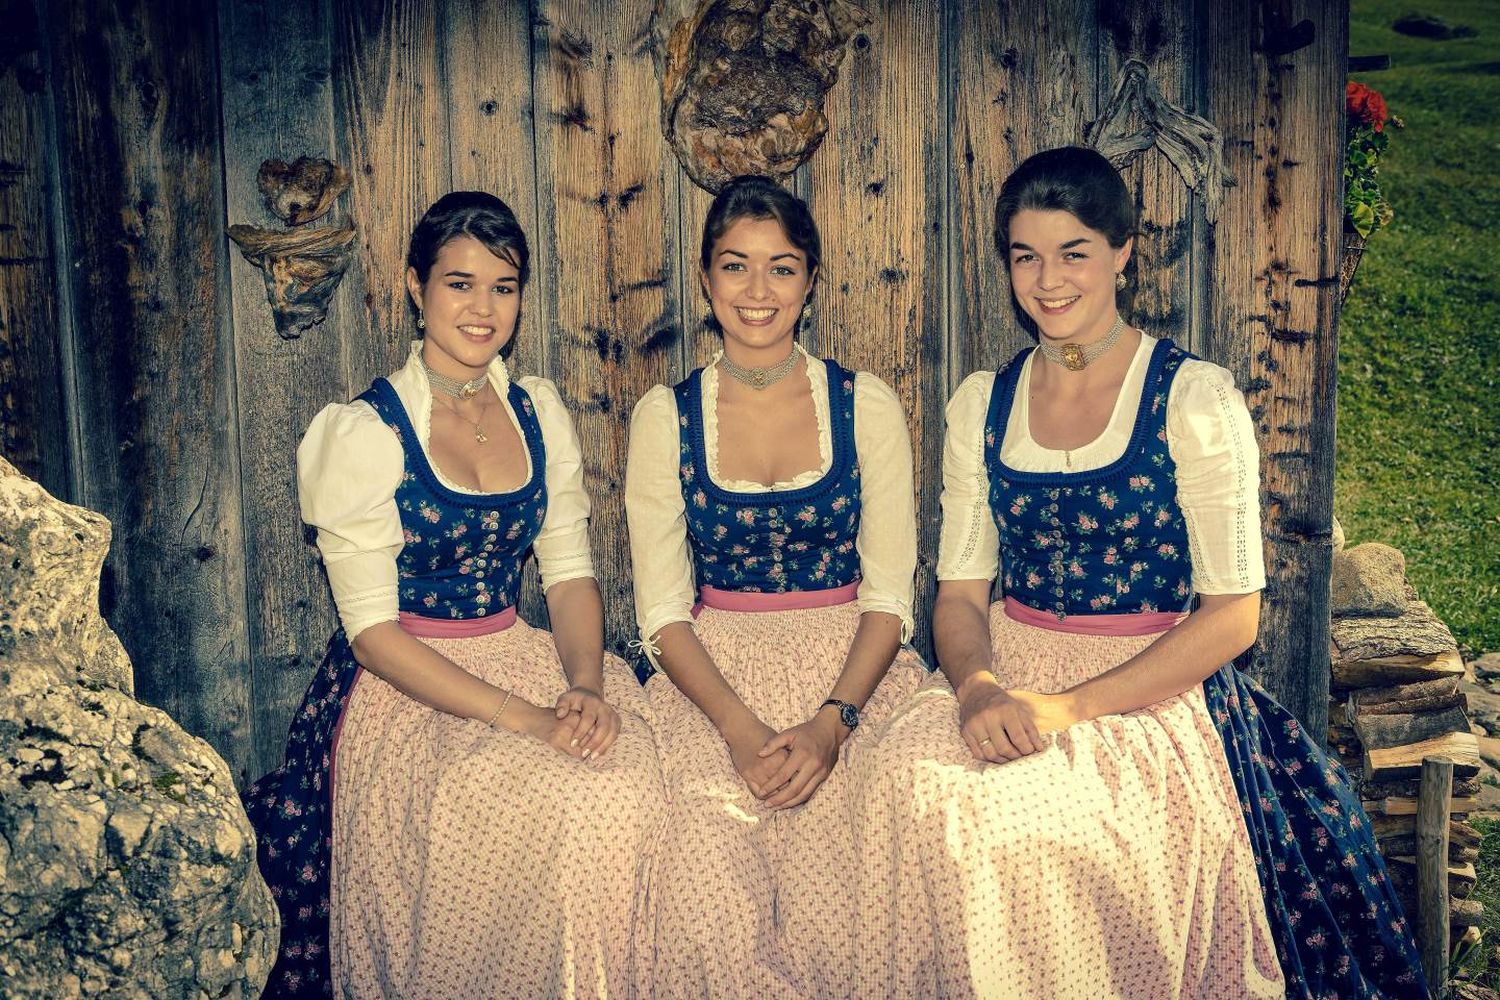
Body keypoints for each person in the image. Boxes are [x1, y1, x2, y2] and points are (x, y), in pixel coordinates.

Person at [852, 147, 1426, 999]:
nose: (1048, 281)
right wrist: (975, 687)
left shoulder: (1192, 398)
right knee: (902, 789)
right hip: (1005, 667)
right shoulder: (984, 403)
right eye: (1026, 256)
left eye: (1073, 252)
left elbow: (1233, 616)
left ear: (1122, 251)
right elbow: (963, 593)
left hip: (1151, 686)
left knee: (1022, 836)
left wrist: (1071, 707)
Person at [243, 191, 664, 998]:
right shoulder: (366, 432)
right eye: (459, 284)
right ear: (416, 286)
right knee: (539, 804)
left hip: (521, 651)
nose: (483, 308)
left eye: (503, 287)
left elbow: (568, 572)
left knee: (626, 778)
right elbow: (373, 636)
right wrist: (527, 719)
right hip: (405, 682)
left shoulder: (536, 411)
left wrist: (583, 685)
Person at [623, 175, 926, 997]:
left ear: (810, 280)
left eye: (781, 268)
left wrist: (833, 724)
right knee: (703, 868)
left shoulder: (865, 405)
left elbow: (889, 595)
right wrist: (737, 729)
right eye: (735, 266)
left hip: (852, 669)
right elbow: (662, 611)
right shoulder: (665, 417)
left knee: (866, 863)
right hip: (713, 677)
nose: (758, 291)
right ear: (706, 278)